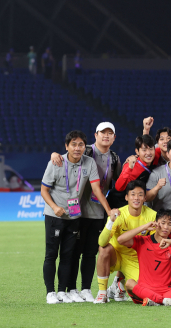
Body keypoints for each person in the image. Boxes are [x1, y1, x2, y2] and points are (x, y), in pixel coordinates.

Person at [40, 130, 112, 304]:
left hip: (74, 217)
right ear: (66, 146)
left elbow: (96, 189)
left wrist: (108, 210)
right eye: (73, 144)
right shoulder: (56, 162)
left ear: (85, 147)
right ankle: (50, 292)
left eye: (81, 145)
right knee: (51, 255)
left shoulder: (89, 163)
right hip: (55, 216)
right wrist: (55, 207)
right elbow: (44, 190)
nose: (77, 148)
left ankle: (62, 291)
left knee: (67, 255)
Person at [93, 180, 157, 303]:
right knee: (103, 249)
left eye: (140, 194)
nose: (136, 198)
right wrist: (111, 221)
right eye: (133, 194)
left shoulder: (152, 215)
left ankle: (119, 285)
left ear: (145, 197)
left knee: (144, 290)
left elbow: (154, 245)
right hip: (116, 256)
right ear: (126, 197)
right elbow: (101, 242)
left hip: (135, 259)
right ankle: (102, 293)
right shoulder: (118, 214)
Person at [119, 210, 171, 306]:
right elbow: (120, 240)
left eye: (169, 224)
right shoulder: (143, 241)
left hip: (166, 291)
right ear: (156, 223)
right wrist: (144, 227)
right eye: (163, 223)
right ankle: (163, 301)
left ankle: (156, 301)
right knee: (129, 283)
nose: (165, 227)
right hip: (145, 290)